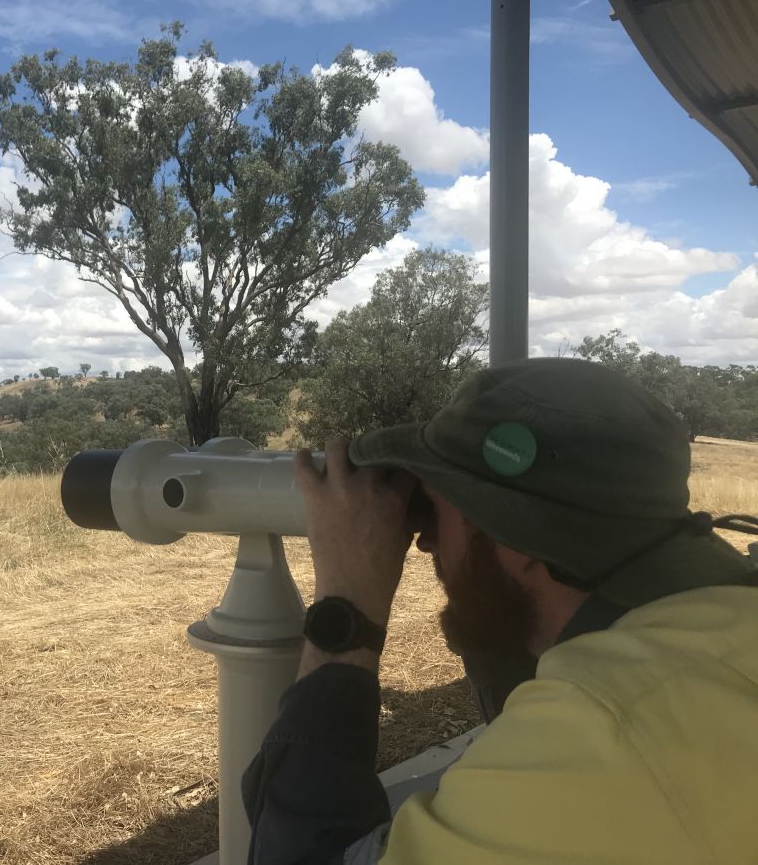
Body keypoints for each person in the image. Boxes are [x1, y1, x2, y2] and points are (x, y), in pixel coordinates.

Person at [242, 357, 758, 864]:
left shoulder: (596, 732)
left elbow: (299, 851)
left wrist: (346, 602)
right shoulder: (724, 625)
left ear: (514, 532)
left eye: (434, 508)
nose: (424, 544)